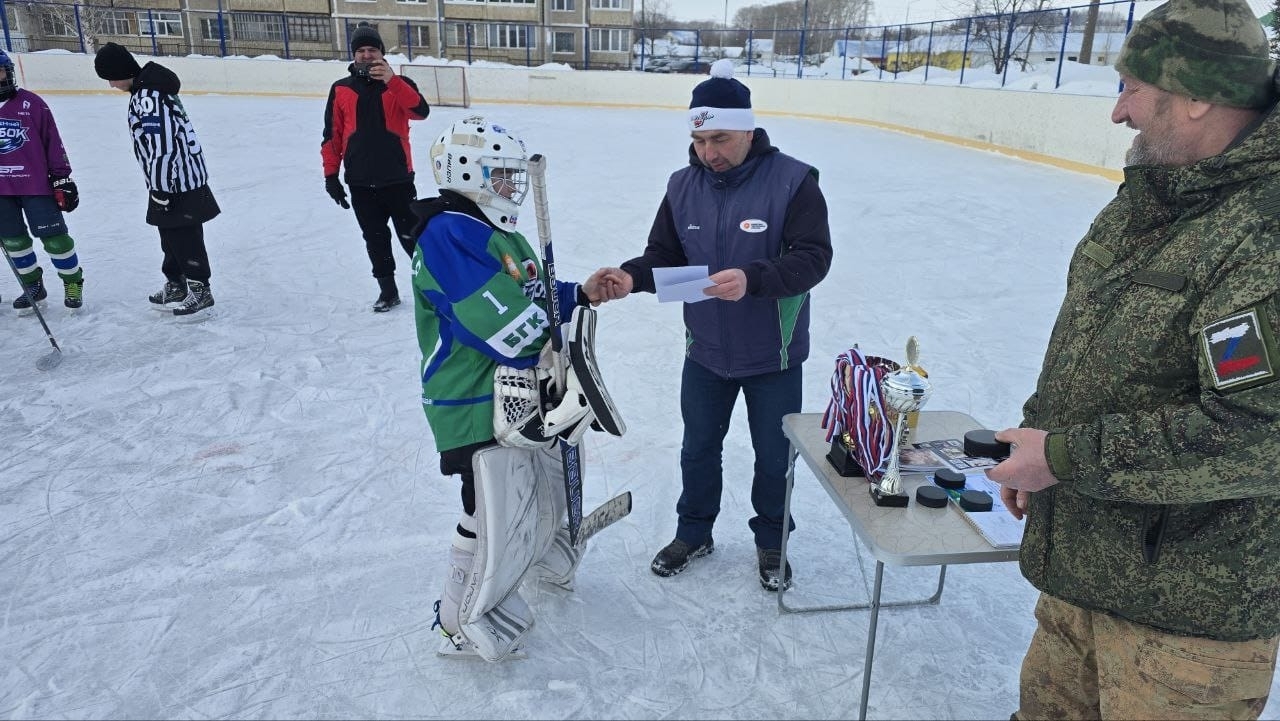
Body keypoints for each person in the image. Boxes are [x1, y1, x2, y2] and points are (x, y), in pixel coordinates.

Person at [984, 0, 1280, 717]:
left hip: (1184, 634)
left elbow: (1257, 431)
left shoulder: (1262, 236)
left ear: (1197, 95)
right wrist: (1039, 436)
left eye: (1131, 89)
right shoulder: (1151, 200)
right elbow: (1090, 342)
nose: (1119, 112)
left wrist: (1065, 456)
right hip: (1084, 578)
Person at [591, 59, 832, 592]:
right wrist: (632, 277)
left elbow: (814, 259)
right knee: (698, 447)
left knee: (773, 456)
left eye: (719, 139)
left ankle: (773, 541)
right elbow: (664, 255)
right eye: (699, 140)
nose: (707, 153)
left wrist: (755, 278)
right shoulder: (682, 186)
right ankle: (694, 532)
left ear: (747, 128)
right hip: (704, 351)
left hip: (774, 354)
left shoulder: (793, 181)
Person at [412, 116, 619, 660]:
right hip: (470, 398)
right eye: (501, 174)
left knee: (526, 487)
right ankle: (455, 618)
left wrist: (579, 293)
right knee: (486, 503)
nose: (514, 185)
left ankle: (538, 552)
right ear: (465, 172)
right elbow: (497, 321)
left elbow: (533, 292)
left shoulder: (501, 232)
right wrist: (555, 345)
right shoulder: (447, 233)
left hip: (514, 390)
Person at [93, 42, 220, 318]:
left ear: (121, 71)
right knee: (169, 232)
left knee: (183, 234)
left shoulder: (148, 96)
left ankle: (200, 290)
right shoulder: (145, 90)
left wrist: (161, 188)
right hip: (172, 178)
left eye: (111, 78)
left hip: (177, 181)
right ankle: (176, 283)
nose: (112, 85)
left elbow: (163, 146)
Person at [321, 22, 430, 313]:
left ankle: (433, 291)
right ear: (353, 55)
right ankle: (388, 291)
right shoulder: (341, 89)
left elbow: (420, 112)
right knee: (375, 240)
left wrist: (392, 81)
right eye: (361, 50)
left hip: (398, 180)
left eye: (372, 49)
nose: (367, 55)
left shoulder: (399, 84)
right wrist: (331, 176)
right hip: (360, 183)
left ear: (381, 53)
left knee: (413, 240)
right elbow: (332, 136)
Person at [0, 49, 83, 314]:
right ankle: (33, 285)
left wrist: (62, 178)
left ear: (9, 73)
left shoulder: (32, 104)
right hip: (1, 192)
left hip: (35, 185)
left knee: (55, 239)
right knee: (14, 241)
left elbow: (53, 143)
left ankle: (73, 281)